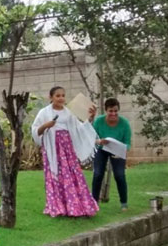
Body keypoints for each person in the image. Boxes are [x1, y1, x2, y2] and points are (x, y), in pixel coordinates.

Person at [31, 86, 99, 217]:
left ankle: (76, 205)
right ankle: (58, 206)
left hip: (67, 149)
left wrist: (90, 118)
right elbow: (35, 131)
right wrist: (46, 125)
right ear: (51, 97)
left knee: (72, 174)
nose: (61, 98)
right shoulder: (44, 113)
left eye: (63, 95)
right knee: (55, 175)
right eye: (58, 96)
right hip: (53, 149)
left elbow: (79, 128)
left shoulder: (68, 113)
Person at [92, 98, 132, 211]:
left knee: (119, 175)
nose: (113, 114)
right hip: (102, 148)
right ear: (106, 111)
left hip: (118, 151)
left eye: (115, 111)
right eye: (110, 111)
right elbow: (92, 138)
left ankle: (124, 203)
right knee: (98, 174)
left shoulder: (124, 123)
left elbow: (128, 143)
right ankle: (94, 202)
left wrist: (122, 151)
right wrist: (99, 141)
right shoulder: (99, 121)